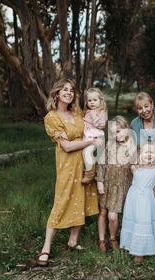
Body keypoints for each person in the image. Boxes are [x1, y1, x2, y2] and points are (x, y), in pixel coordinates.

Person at [31, 78, 99, 267]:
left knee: (83, 198)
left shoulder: (76, 113)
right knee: (61, 202)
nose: (69, 93)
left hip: (85, 162)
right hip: (67, 165)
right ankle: (46, 248)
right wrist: (91, 142)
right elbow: (67, 147)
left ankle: (72, 240)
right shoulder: (52, 118)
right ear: (57, 93)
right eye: (65, 90)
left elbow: (94, 124)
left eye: (71, 90)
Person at [95, 116, 135, 253]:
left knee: (113, 216)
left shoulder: (132, 146)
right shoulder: (108, 145)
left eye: (118, 131)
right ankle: (101, 240)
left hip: (122, 185)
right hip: (107, 183)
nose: (115, 135)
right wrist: (99, 181)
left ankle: (112, 238)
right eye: (112, 133)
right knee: (103, 212)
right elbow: (100, 164)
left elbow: (136, 166)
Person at [130, 92, 155, 235]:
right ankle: (142, 233)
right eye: (140, 108)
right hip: (141, 170)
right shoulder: (135, 123)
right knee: (142, 203)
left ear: (152, 104)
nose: (144, 110)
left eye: (146, 106)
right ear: (137, 110)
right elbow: (133, 146)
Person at [120, 141, 155, 264]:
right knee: (135, 219)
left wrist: (150, 196)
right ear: (140, 154)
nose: (149, 155)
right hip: (134, 197)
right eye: (146, 152)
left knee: (144, 221)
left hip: (147, 198)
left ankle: (141, 251)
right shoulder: (135, 167)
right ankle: (131, 245)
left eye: (152, 153)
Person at [82, 88, 108, 184]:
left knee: (87, 152)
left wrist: (93, 116)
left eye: (95, 100)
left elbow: (100, 124)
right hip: (88, 135)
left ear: (101, 101)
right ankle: (89, 168)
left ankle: (90, 173)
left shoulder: (101, 112)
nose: (92, 103)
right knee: (84, 153)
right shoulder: (89, 111)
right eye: (89, 100)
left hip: (96, 136)